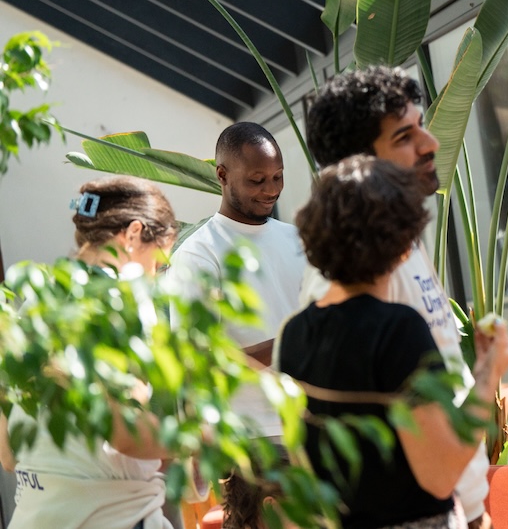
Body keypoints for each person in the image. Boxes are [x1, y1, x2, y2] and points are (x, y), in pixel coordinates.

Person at [277, 156, 508, 529]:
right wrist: (489, 374)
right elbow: (439, 473)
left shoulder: (292, 334)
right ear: (404, 245)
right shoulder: (399, 329)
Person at [302, 66, 492, 529]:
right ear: (360, 166)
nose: (431, 144)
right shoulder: (342, 289)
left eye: (421, 127)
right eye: (405, 136)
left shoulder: (402, 247)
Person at [0, 176, 178, 529]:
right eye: (159, 262)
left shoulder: (29, 309)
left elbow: (8, 453)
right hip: (112, 517)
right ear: (132, 234)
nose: (154, 277)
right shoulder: (120, 302)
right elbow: (126, 433)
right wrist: (200, 437)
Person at [166, 122, 305, 528]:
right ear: (222, 175)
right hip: (252, 438)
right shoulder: (199, 255)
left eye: (278, 177)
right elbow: (198, 362)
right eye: (257, 179)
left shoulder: (298, 241)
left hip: (312, 427)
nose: (271, 189)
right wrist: (289, 343)